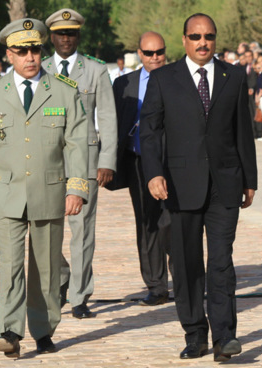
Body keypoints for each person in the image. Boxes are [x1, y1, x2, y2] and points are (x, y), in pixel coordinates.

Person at [0, 18, 88, 358]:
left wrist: (76, 188)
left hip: (49, 191)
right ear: (9, 54)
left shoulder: (63, 90)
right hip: (6, 193)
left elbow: (77, 142)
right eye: (21, 51)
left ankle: (43, 327)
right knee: (11, 265)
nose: (30, 57)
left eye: (35, 49)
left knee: (46, 268)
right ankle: (8, 329)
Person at [140, 13, 257, 362]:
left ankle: (224, 337)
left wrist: (250, 179)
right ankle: (195, 334)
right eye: (195, 36)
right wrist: (153, 173)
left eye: (208, 36)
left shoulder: (233, 75)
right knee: (189, 264)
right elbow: (149, 132)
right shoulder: (163, 78)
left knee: (221, 262)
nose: (202, 42)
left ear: (215, 39)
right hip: (179, 185)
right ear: (184, 39)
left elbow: (242, 131)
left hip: (225, 184)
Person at [43, 8, 117, 319]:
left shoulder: (95, 71)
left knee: (83, 231)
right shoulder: (40, 67)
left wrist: (107, 159)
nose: (65, 38)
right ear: (52, 37)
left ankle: (79, 296)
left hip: (85, 161)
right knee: (43, 228)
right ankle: (62, 278)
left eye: (71, 33)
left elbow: (108, 117)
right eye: (60, 33)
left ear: (78, 36)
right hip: (48, 162)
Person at [108, 31, 170, 306]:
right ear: (140, 54)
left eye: (159, 52)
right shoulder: (124, 84)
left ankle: (184, 279)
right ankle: (156, 285)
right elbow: (112, 126)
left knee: (174, 222)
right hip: (137, 162)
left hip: (172, 163)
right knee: (147, 223)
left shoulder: (179, 80)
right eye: (149, 53)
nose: (155, 58)